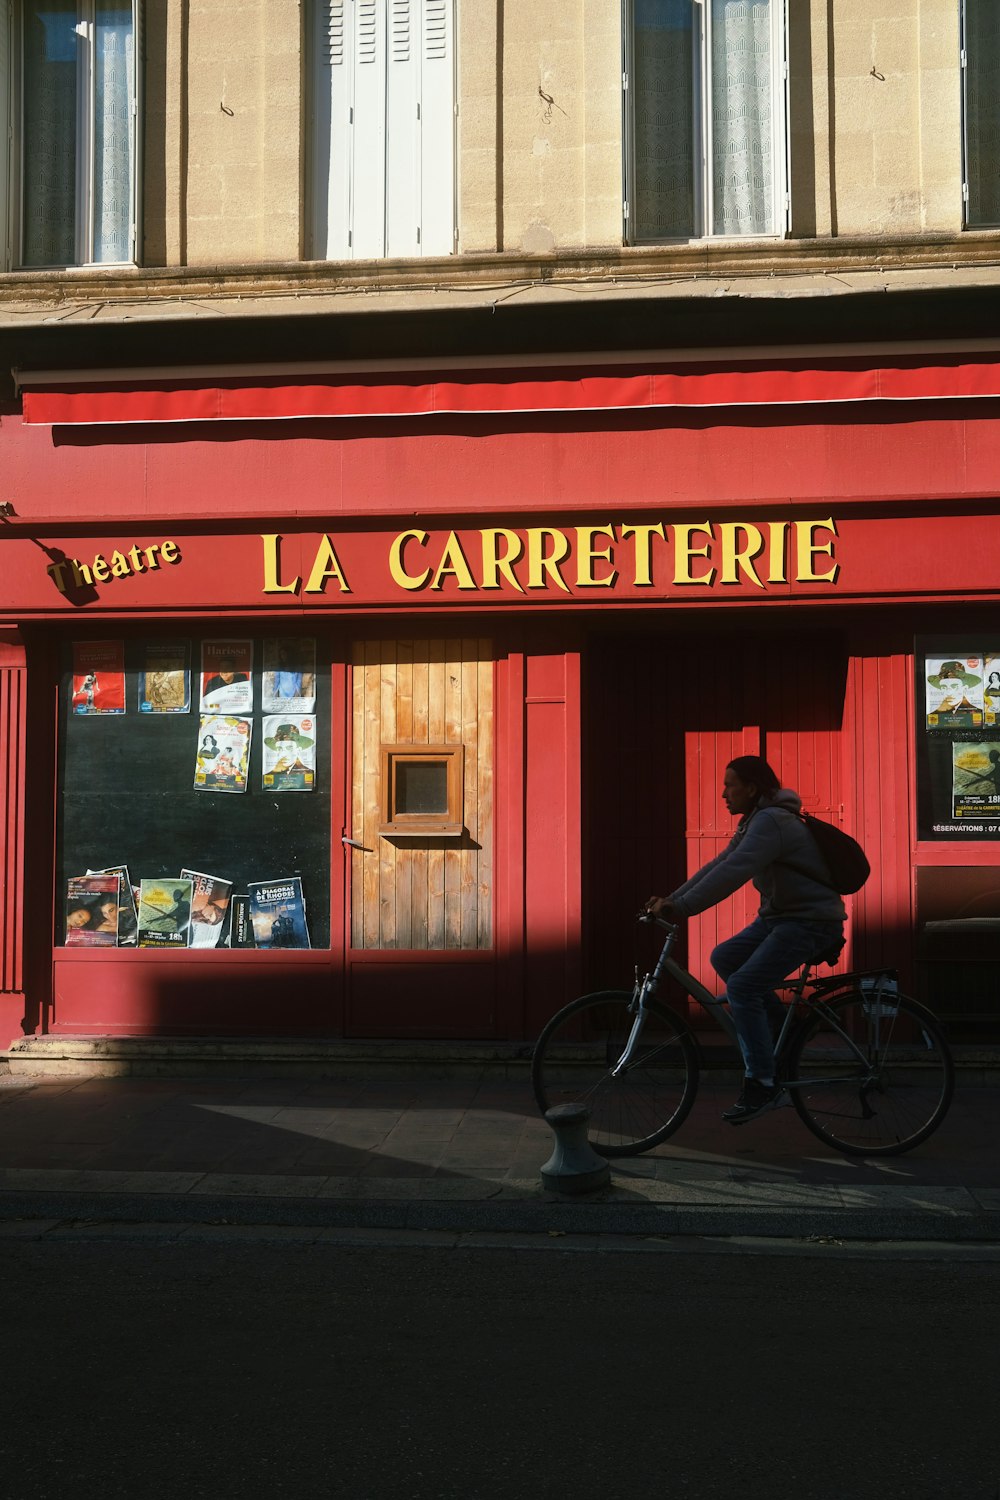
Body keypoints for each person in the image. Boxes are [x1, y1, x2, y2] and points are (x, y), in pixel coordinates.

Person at [645, 755, 845, 1125]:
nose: (723, 794)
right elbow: (719, 864)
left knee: (743, 988)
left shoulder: (770, 822)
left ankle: (762, 1083)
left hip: (809, 922)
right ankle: (789, 1024)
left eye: (729, 785)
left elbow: (735, 873)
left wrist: (683, 908)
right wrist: (671, 900)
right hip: (781, 918)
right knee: (725, 957)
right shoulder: (756, 820)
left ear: (751, 788)